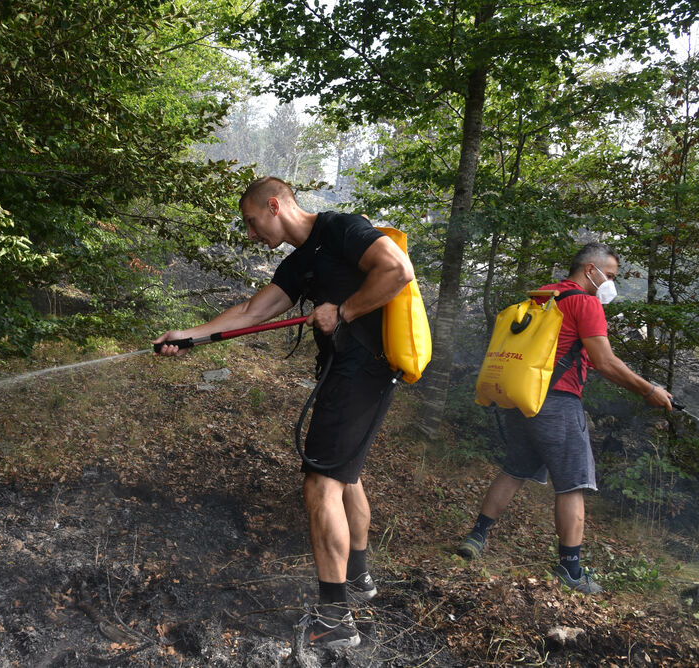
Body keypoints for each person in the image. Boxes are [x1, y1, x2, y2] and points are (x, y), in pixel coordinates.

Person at [154, 176, 413, 649]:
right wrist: (188, 336)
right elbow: (254, 311)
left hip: (361, 371)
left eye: (252, 222)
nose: (252, 234)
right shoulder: (300, 261)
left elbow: (397, 271)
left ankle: (335, 618)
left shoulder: (341, 228)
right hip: (351, 373)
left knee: (320, 484)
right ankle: (358, 580)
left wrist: (345, 311)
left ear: (274, 205)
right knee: (345, 477)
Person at [457, 242, 674, 594]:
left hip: (520, 397)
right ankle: (570, 570)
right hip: (558, 402)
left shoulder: (543, 296)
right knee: (573, 483)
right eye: (611, 276)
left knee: (515, 468)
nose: (611, 284)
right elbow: (604, 362)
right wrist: (649, 390)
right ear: (591, 270)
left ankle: (477, 536)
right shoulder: (585, 302)